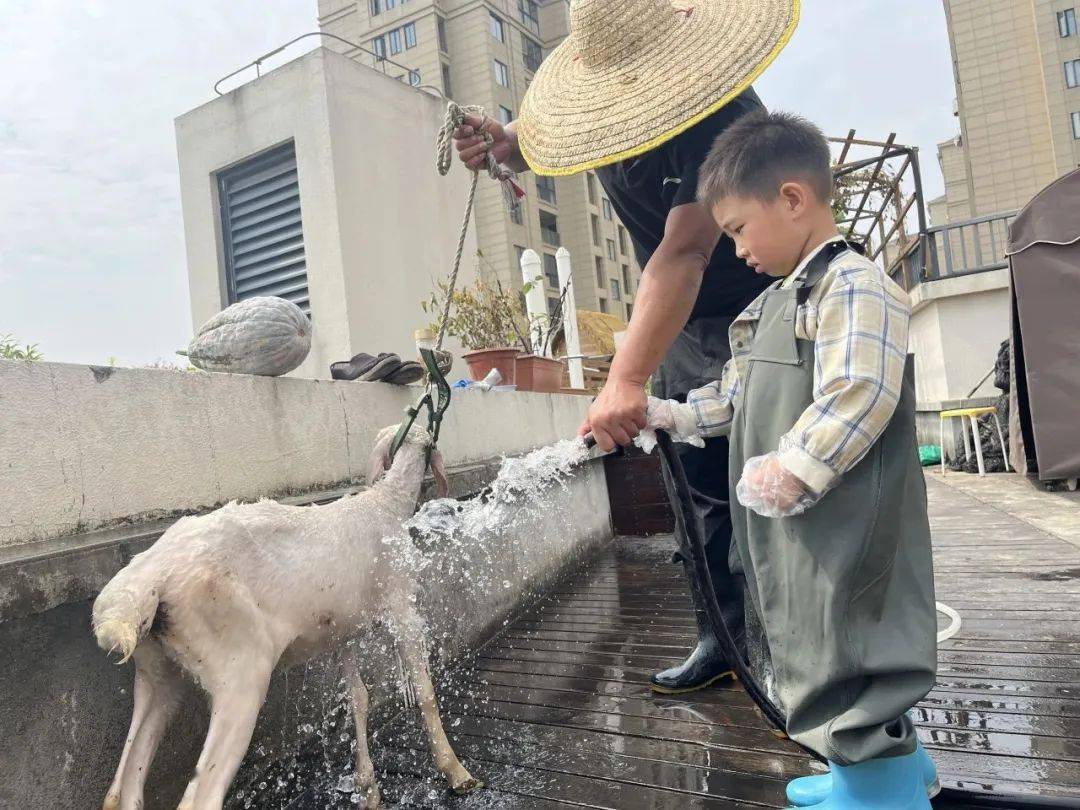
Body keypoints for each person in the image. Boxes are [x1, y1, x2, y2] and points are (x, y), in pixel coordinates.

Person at [454, 0, 799, 695]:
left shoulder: (720, 113)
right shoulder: (595, 96)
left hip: (759, 306)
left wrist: (625, 376)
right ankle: (725, 641)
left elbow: (684, 251)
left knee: (774, 482)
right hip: (679, 319)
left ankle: (798, 653)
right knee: (696, 490)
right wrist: (500, 141)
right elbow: (532, 138)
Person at [646, 110, 939, 809]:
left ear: (793, 198)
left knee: (855, 644)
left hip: (848, 526)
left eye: (739, 230)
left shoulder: (853, 286)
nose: (735, 250)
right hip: (798, 533)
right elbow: (738, 396)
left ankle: (882, 795)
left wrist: (797, 467)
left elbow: (859, 391)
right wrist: (680, 415)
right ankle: (870, 772)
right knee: (810, 640)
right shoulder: (775, 301)